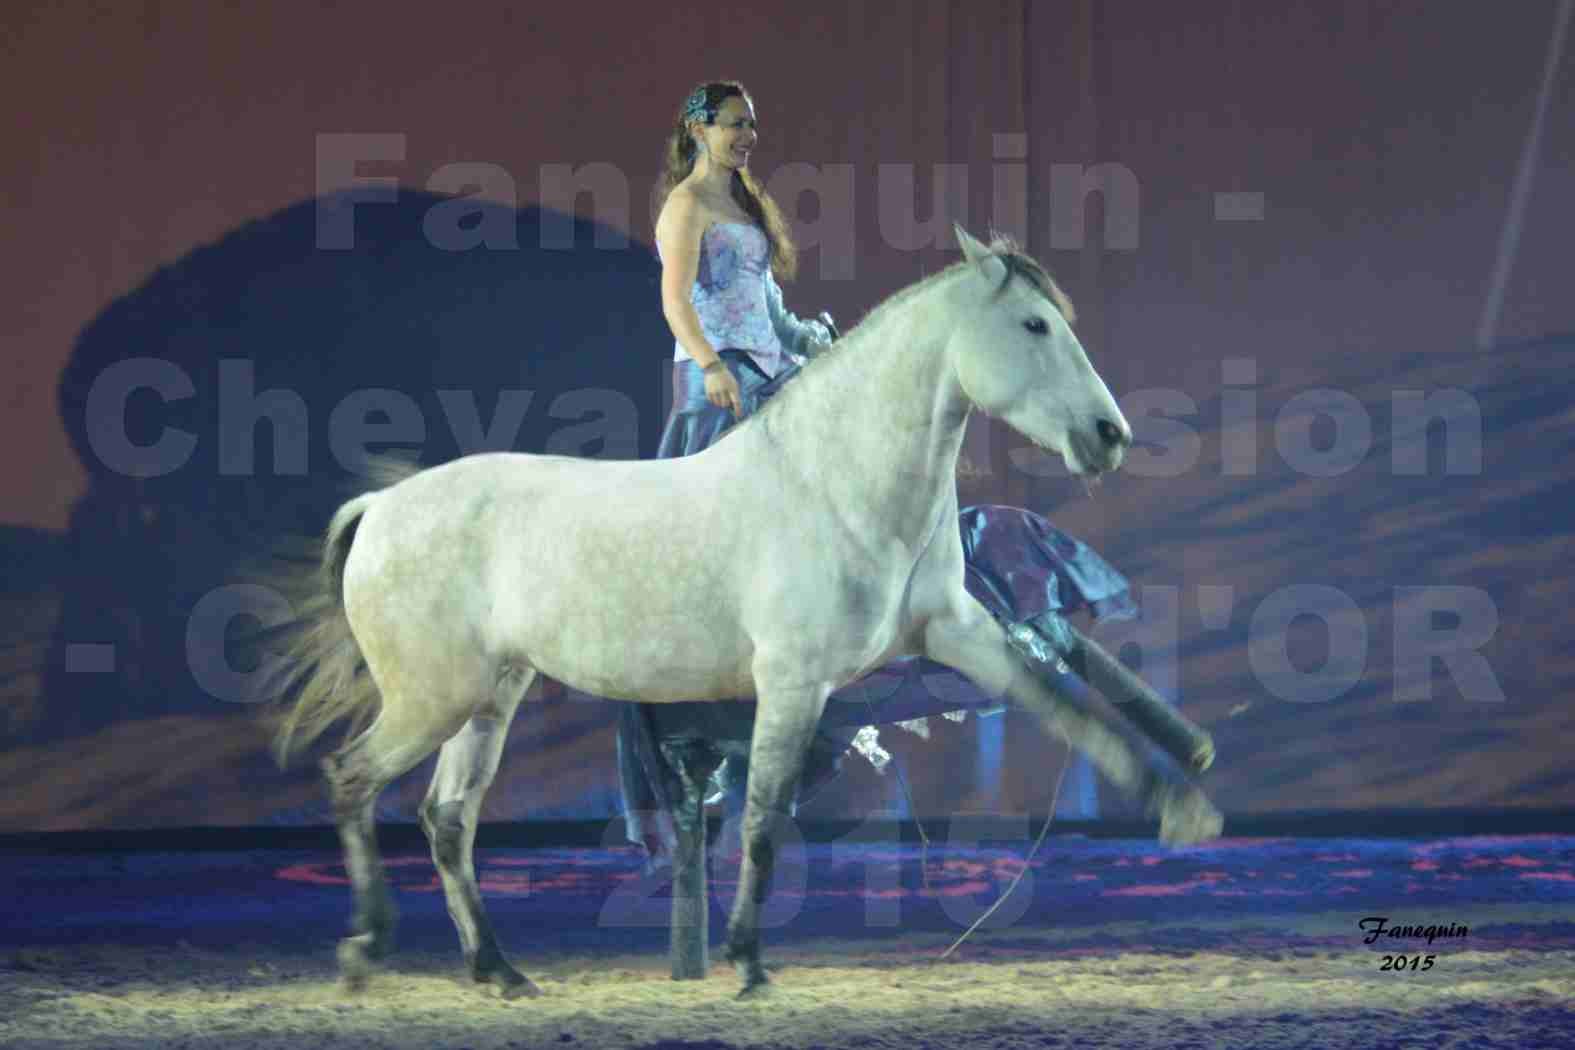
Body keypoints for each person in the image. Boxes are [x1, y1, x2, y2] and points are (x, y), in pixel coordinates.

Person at [616, 80, 1186, 868]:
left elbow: (765, 304)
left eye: (754, 123)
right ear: (697, 128)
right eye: (736, 124)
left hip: (777, 378)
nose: (749, 135)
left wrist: (819, 344)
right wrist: (713, 363)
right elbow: (676, 300)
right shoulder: (684, 206)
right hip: (719, 389)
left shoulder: (745, 204)